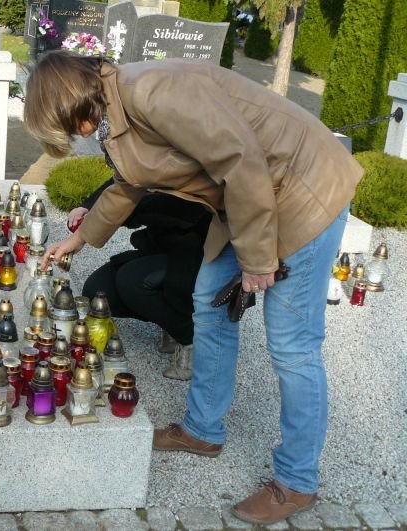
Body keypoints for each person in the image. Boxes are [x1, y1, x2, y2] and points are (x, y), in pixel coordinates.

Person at [25, 51, 362, 525]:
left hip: (302, 190)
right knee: (208, 302)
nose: (75, 136)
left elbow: (241, 160)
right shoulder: (115, 108)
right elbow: (129, 184)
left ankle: (297, 481)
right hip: (249, 201)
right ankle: (203, 430)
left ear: (73, 102)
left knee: (293, 346)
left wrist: (257, 259)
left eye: (66, 126)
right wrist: (78, 239)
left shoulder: (151, 91)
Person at [71, 181, 210, 379]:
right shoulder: (149, 164)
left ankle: (191, 337)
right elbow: (125, 180)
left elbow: (169, 208)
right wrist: (88, 206)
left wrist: (110, 215)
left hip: (199, 255)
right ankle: (170, 321)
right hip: (162, 249)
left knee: (131, 281)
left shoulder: (187, 167)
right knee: (98, 292)